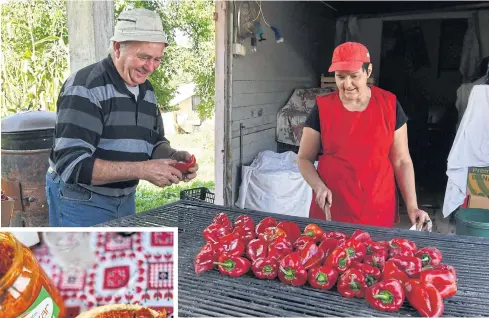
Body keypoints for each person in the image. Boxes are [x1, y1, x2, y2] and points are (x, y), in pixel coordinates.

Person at [46, 8, 198, 227]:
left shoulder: (147, 91)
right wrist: (143, 170)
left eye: (157, 59)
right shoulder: (86, 87)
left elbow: (153, 141)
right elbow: (71, 164)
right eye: (144, 57)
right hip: (80, 200)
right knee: (82, 261)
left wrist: (173, 157)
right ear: (117, 48)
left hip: (125, 198)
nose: (150, 67)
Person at [297, 42, 431, 230]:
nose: (347, 84)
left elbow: (401, 161)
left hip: (376, 206)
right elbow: (304, 158)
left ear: (368, 72)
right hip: (332, 207)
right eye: (340, 77)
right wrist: (318, 186)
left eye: (354, 76)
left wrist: (412, 206)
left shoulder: (389, 105)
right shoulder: (323, 107)